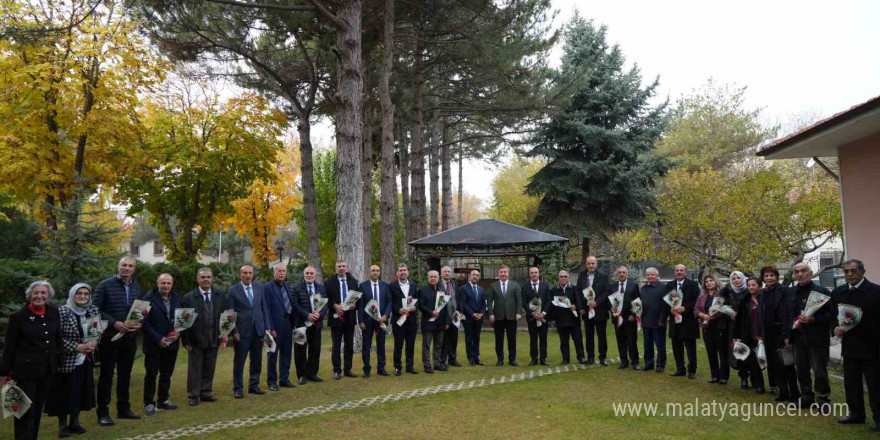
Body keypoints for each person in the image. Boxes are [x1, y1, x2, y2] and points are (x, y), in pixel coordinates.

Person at [0, 281, 62, 440]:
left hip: (46, 370)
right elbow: (9, 346)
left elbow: (57, 339)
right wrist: (4, 371)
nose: (39, 296)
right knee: (24, 412)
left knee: (38, 411)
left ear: (48, 296)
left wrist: (58, 361)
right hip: (24, 372)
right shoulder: (18, 317)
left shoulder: (54, 313)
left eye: (43, 293)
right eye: (36, 293)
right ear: (30, 295)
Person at [93, 257, 143, 426]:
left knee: (125, 375)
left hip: (129, 339)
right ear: (118, 267)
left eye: (130, 266)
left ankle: (123, 409)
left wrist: (138, 323)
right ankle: (103, 412)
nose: (127, 268)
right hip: (109, 338)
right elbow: (96, 309)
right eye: (124, 265)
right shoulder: (104, 285)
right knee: (107, 376)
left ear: (134, 269)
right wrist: (114, 322)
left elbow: (139, 310)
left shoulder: (136, 287)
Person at [832, 259, 880, 430]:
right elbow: (832, 317)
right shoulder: (838, 292)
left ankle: (878, 419)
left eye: (853, 271)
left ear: (863, 272)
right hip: (849, 347)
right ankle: (856, 414)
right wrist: (835, 328)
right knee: (851, 384)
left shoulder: (876, 291)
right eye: (846, 272)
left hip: (872, 347)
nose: (849, 274)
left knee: (875, 385)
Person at [46, 283, 97, 438]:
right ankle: (62, 426)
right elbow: (56, 338)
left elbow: (96, 332)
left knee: (81, 391)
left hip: (85, 359)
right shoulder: (61, 311)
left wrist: (94, 342)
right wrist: (76, 347)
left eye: (85, 294)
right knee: (63, 393)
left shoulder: (93, 310)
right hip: (67, 360)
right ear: (72, 295)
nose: (82, 296)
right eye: (79, 293)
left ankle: (75, 422)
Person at [787, 262, 833, 410]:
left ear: (810, 272)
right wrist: (787, 335)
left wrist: (815, 320)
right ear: (794, 275)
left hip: (817, 337)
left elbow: (832, 315)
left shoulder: (822, 291)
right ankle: (806, 397)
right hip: (798, 337)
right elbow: (787, 316)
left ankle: (823, 400)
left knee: (820, 371)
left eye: (803, 271)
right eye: (797, 272)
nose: (800, 274)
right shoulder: (791, 292)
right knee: (801, 370)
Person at [181, 268, 226, 407]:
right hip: (196, 338)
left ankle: (206, 392)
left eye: (208, 277)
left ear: (212, 278)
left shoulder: (219, 295)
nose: (206, 279)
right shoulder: (189, 297)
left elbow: (225, 316)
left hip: (214, 336)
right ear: (198, 279)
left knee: (209, 366)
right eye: (203, 277)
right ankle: (193, 395)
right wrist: (186, 340)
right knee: (195, 368)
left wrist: (224, 334)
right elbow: (184, 321)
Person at [227, 265, 272, 398]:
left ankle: (254, 385)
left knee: (256, 360)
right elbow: (230, 312)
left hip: (258, 330)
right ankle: (238, 388)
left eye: (250, 273)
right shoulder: (233, 290)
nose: (247, 275)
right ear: (240, 274)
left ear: (253, 274)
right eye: (245, 273)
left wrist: (267, 327)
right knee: (239, 361)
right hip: (242, 332)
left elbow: (264, 309)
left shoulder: (260, 288)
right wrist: (234, 330)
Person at [141, 274, 181, 416]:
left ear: (172, 284)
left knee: (166, 373)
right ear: (157, 283)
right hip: (154, 343)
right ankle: (149, 403)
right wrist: (158, 338)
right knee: (151, 374)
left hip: (171, 343)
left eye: (168, 283)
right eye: (163, 283)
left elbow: (180, 318)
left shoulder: (176, 298)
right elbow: (144, 323)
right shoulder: (148, 299)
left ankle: (163, 400)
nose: (165, 285)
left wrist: (178, 332)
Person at [759, 265, 800, 402]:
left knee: (787, 363)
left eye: (771, 275)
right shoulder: (763, 293)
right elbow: (761, 314)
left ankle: (794, 393)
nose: (769, 278)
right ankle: (783, 392)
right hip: (769, 333)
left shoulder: (785, 291)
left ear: (776, 276)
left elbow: (789, 313)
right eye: (766, 276)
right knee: (775, 364)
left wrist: (787, 334)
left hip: (782, 332)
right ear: (763, 278)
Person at [325, 260, 360, 380]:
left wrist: (355, 305)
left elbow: (358, 299)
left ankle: (348, 369)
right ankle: (336, 370)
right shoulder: (329, 283)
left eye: (343, 266)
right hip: (336, 319)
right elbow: (325, 300)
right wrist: (335, 306)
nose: (341, 268)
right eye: (339, 266)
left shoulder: (354, 282)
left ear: (347, 268)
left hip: (349, 318)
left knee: (349, 345)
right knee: (336, 345)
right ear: (336, 268)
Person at [292, 266, 327, 385]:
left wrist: (319, 315)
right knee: (300, 351)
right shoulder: (296, 287)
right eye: (307, 273)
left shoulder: (321, 288)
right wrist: (307, 315)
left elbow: (325, 305)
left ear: (315, 275)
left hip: (316, 324)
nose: (309, 275)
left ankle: (312, 374)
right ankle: (302, 375)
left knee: (315, 349)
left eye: (311, 273)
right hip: (300, 324)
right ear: (304, 274)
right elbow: (295, 305)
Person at [264, 263, 296, 390]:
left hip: (288, 324)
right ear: (274, 272)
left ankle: (284, 378)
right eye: (279, 271)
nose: (282, 273)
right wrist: (270, 328)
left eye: (284, 271)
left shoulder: (286, 285)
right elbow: (266, 309)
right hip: (275, 327)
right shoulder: (267, 287)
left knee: (287, 353)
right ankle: (271, 381)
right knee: (272, 354)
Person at [695, 274, 732, 384]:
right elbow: (696, 309)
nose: (709, 283)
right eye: (707, 281)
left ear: (716, 282)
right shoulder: (702, 295)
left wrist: (713, 316)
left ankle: (723, 376)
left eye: (711, 280)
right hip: (706, 327)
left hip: (719, 326)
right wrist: (702, 315)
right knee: (711, 352)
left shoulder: (722, 294)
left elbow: (726, 309)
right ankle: (714, 375)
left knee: (722, 352)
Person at [733, 277, 766, 394]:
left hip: (764, 335)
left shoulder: (765, 298)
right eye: (749, 285)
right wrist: (736, 335)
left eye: (754, 285)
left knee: (765, 361)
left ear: (760, 286)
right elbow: (738, 319)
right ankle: (758, 385)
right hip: (749, 334)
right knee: (752, 361)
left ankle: (774, 385)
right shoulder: (744, 300)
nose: (751, 287)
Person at [666, 264, 700, 379]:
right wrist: (670, 309)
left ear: (686, 272)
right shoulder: (670, 285)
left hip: (688, 321)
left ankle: (692, 370)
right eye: (677, 270)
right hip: (674, 321)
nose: (679, 272)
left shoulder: (693, 284)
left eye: (681, 270)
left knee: (690, 348)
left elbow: (697, 301)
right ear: (674, 272)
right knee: (676, 347)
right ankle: (680, 369)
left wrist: (685, 308)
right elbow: (666, 301)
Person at [358, 265, 391, 377]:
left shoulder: (385, 286)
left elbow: (389, 302)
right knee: (366, 346)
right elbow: (360, 305)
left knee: (381, 345)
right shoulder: (363, 286)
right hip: (367, 321)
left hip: (381, 320)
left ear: (379, 272)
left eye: (377, 270)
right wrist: (361, 321)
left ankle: (381, 368)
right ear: (369, 272)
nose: (375, 272)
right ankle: (366, 370)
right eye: (373, 270)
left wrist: (386, 315)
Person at [577, 256, 609, 365]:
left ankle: (602, 357)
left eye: (593, 263)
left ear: (596, 264)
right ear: (586, 265)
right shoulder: (581, 276)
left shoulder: (604, 276)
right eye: (589, 264)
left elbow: (606, 291)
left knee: (602, 336)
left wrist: (597, 302)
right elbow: (578, 291)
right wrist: (581, 307)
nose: (591, 266)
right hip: (586, 311)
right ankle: (590, 357)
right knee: (589, 336)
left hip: (600, 310)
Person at [487, 265, 522, 366]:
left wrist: (518, 312)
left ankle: (512, 359)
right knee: (499, 340)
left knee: (512, 340)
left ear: (508, 273)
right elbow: (489, 302)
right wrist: (491, 314)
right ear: (498, 274)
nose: (503, 274)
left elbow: (519, 300)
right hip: (498, 317)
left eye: (505, 272)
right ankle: (500, 360)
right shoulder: (493, 286)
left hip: (512, 317)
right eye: (501, 272)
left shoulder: (515, 285)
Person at [548, 271, 585, 365]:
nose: (563, 278)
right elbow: (551, 305)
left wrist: (575, 306)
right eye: (561, 276)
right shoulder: (553, 290)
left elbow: (579, 301)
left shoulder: (574, 289)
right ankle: (565, 359)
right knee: (563, 341)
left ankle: (581, 357)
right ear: (558, 278)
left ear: (568, 278)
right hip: (561, 320)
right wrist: (552, 318)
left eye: (565, 276)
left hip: (573, 319)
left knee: (578, 340)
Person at [722, 271, 750, 389]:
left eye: (739, 278)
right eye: (734, 279)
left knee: (751, 353)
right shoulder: (729, 293)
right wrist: (729, 313)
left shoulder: (749, 291)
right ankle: (743, 378)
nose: (737, 280)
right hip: (734, 328)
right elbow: (722, 305)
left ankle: (755, 377)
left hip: (749, 326)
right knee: (739, 352)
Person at [608, 266, 640, 370]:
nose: (621, 274)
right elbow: (608, 302)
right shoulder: (611, 287)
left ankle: (635, 362)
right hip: (617, 318)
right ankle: (624, 362)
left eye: (623, 272)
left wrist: (634, 315)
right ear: (617, 275)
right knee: (620, 341)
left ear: (627, 274)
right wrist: (611, 309)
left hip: (629, 318)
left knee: (631, 341)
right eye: (619, 272)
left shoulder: (634, 286)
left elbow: (637, 302)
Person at [390, 264, 419, 375]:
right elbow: (390, 302)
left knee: (410, 344)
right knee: (398, 344)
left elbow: (418, 300)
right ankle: (398, 367)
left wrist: (415, 307)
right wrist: (399, 309)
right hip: (399, 320)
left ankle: (409, 366)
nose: (403, 272)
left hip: (411, 320)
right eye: (400, 270)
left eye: (404, 270)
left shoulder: (413, 285)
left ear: (408, 272)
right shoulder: (392, 286)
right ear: (397, 273)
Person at [419, 270, 450, 373]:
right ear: (428, 278)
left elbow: (445, 307)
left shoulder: (442, 290)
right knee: (426, 345)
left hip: (440, 323)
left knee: (438, 345)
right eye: (431, 277)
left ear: (438, 278)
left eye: (435, 277)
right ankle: (427, 365)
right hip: (428, 322)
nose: (433, 278)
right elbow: (421, 305)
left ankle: (437, 364)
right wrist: (431, 312)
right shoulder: (423, 290)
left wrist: (446, 322)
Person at [640, 268, 668, 373]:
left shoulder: (663, 288)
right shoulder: (643, 288)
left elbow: (666, 306)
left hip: (659, 321)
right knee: (647, 345)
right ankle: (649, 363)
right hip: (646, 320)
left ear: (657, 275)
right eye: (648, 275)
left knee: (660, 345)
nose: (650, 277)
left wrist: (662, 319)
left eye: (652, 275)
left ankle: (661, 364)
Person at [523, 267, 551, 366]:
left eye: (536, 272)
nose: (534, 274)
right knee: (533, 339)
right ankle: (534, 359)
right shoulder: (525, 287)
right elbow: (524, 302)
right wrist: (533, 313)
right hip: (532, 318)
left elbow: (549, 300)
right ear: (529, 275)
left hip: (543, 317)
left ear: (539, 274)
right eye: (532, 273)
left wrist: (543, 313)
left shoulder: (545, 285)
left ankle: (543, 359)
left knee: (543, 339)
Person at [460, 270, 486, 366]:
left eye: (477, 275)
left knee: (477, 338)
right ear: (470, 276)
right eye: (474, 275)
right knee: (469, 338)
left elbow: (484, 304)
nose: (475, 276)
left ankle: (476, 357)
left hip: (479, 318)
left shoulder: (481, 289)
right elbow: (463, 303)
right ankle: (470, 358)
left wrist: (482, 314)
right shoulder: (463, 288)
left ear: (479, 277)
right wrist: (472, 314)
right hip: (468, 318)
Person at [439, 266, 462, 367]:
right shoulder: (438, 284)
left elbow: (458, 298)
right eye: (445, 272)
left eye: (448, 271)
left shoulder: (454, 283)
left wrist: (460, 312)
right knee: (444, 340)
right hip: (444, 316)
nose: (447, 273)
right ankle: (442, 360)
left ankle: (452, 359)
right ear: (441, 273)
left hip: (455, 315)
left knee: (454, 339)